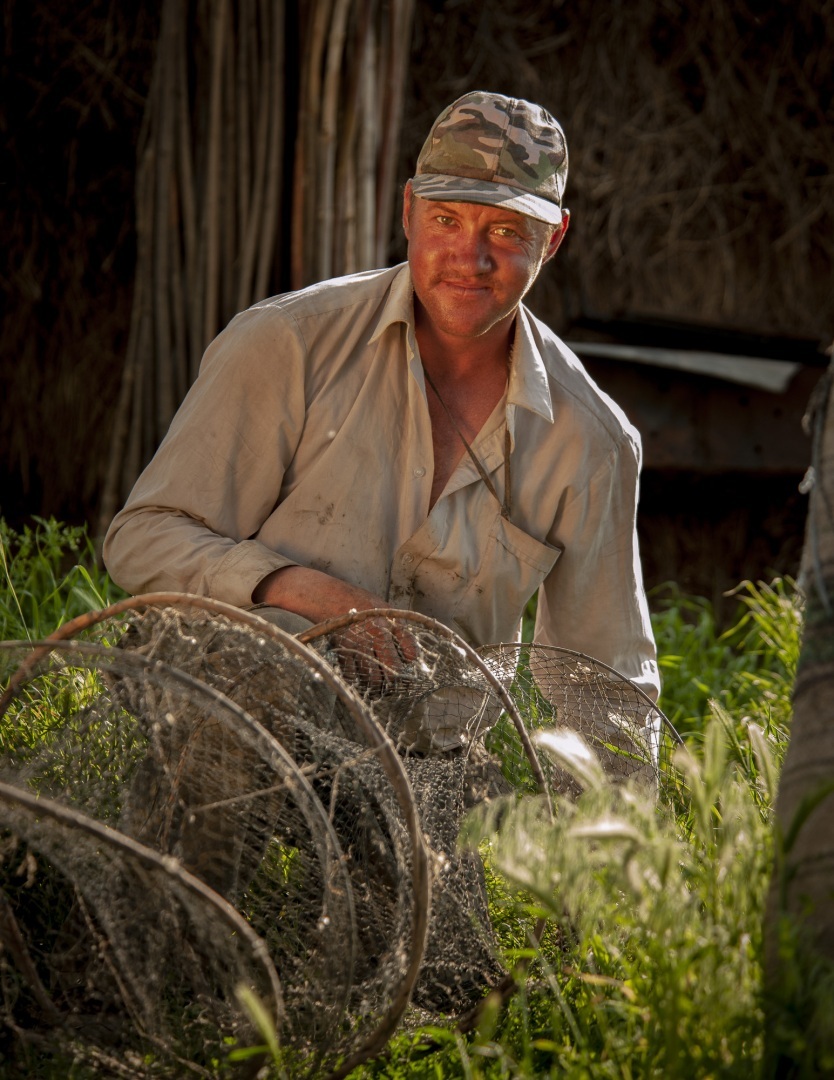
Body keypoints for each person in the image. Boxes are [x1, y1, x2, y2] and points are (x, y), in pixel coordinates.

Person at [103, 90, 660, 714]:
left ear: (554, 238)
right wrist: (313, 595)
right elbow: (143, 537)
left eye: (505, 231)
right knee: (279, 658)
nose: (468, 259)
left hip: (426, 773)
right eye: (446, 219)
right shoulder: (289, 342)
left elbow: (607, 688)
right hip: (228, 726)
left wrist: (611, 810)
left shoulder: (591, 440)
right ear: (408, 209)